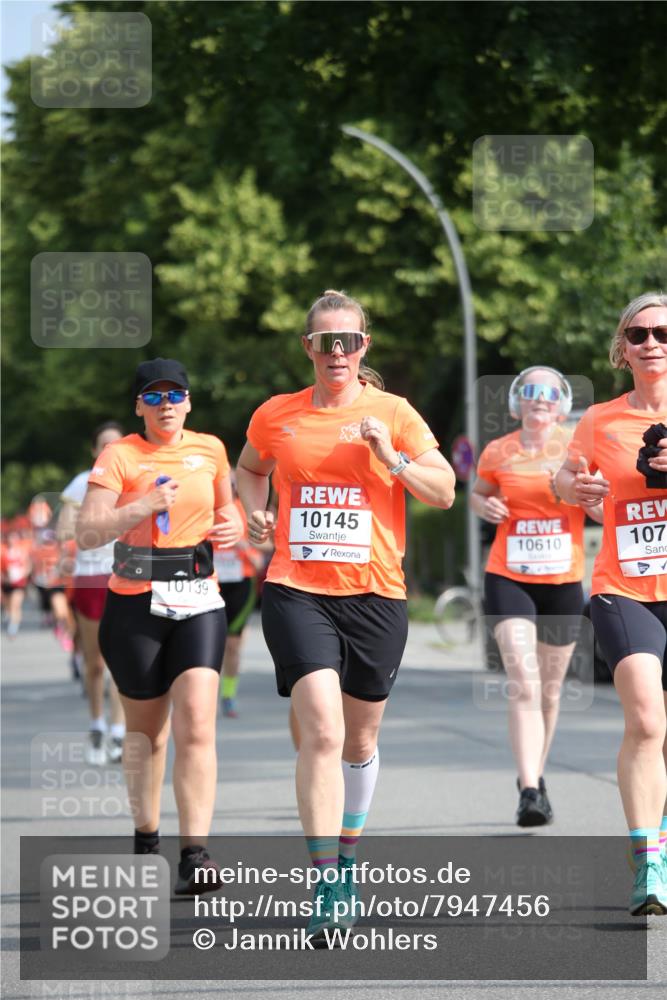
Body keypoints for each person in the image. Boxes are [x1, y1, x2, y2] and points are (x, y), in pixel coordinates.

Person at [236, 289, 456, 939]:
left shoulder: (393, 412)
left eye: (349, 341)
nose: (337, 353)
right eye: (325, 342)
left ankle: (349, 857)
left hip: (376, 596)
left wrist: (391, 457)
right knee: (325, 735)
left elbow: (442, 490)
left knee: (358, 741)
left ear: (364, 347)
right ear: (307, 347)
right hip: (295, 587)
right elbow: (247, 469)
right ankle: (325, 880)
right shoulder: (277, 415)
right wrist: (254, 510)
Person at [75, 359, 242, 893]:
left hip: (198, 598)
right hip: (134, 603)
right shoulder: (120, 455)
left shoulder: (212, 449)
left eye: (175, 395)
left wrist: (237, 521)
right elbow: (87, 534)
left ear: (189, 402)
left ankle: (196, 853)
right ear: (139, 407)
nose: (166, 403)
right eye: (154, 396)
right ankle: (147, 834)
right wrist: (141, 505)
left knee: (197, 722)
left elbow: (229, 510)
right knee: (147, 736)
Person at [556, 292, 667, 916]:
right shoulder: (600, 419)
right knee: (647, 720)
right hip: (624, 587)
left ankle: (662, 838)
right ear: (622, 349)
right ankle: (647, 858)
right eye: (639, 333)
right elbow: (563, 481)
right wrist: (578, 484)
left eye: (663, 332)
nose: (652, 342)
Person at [471, 366, 599, 827]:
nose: (539, 398)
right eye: (529, 391)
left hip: (563, 582)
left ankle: (536, 775)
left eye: (549, 392)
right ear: (517, 402)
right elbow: (479, 493)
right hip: (509, 577)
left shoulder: (578, 448)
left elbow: (603, 508)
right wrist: (483, 505)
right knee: (524, 681)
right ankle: (528, 788)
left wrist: (588, 498)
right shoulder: (497, 450)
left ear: (562, 403)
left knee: (548, 689)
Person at [58, 422, 126, 765]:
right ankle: (97, 723)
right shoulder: (81, 482)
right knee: (96, 662)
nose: (109, 450)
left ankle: (117, 732)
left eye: (116, 444)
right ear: (94, 450)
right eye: (103, 445)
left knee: (121, 662)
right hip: (90, 578)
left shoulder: (133, 477)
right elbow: (63, 531)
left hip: (126, 575)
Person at [214, 482, 264, 719]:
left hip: (241, 582)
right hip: (211, 583)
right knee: (210, 644)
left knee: (232, 645)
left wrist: (246, 547)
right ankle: (203, 696)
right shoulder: (205, 509)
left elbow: (269, 543)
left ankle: (228, 695)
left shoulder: (246, 509)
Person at [1, 517, 32, 638]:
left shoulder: (22, 550)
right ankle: (10, 619)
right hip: (7, 583)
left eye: (14, 538)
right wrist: (4, 577)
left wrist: (23, 574)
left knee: (16, 604)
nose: (12, 540)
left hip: (19, 583)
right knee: (8, 606)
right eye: (10, 538)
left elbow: (28, 565)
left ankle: (13, 628)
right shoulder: (2, 551)